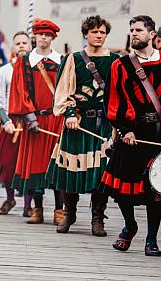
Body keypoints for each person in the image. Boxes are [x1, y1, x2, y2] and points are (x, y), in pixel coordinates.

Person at [46, 16, 120, 236]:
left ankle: (98, 218)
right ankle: (69, 213)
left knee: (101, 173)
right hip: (77, 122)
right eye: (95, 32)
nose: (99, 36)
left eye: (102, 32)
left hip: (104, 123)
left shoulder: (115, 61)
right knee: (72, 169)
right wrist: (70, 113)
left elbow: (119, 94)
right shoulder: (73, 59)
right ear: (86, 34)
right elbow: (63, 90)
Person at [100, 15, 161, 256]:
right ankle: (130, 225)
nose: (134, 33)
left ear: (152, 35)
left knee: (156, 191)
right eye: (131, 30)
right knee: (123, 190)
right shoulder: (121, 65)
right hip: (131, 134)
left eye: (138, 30)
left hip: (157, 135)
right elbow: (112, 101)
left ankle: (151, 239)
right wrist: (125, 130)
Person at [9, 19, 64, 225]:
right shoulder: (24, 62)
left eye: (47, 35)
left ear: (52, 37)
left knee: (58, 164)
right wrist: (29, 117)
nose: (43, 38)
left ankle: (60, 210)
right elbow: (19, 91)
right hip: (35, 121)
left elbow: (68, 90)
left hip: (56, 119)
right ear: (35, 37)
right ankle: (38, 209)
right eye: (40, 34)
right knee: (36, 165)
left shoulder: (63, 61)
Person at [0, 31, 33, 216]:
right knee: (6, 163)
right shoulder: (6, 71)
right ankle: (10, 197)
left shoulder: (36, 70)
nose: (21, 46)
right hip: (11, 122)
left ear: (31, 45)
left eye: (25, 42)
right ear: (13, 47)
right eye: (18, 43)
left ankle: (29, 205)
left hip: (31, 121)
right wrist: (5, 121)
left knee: (29, 164)